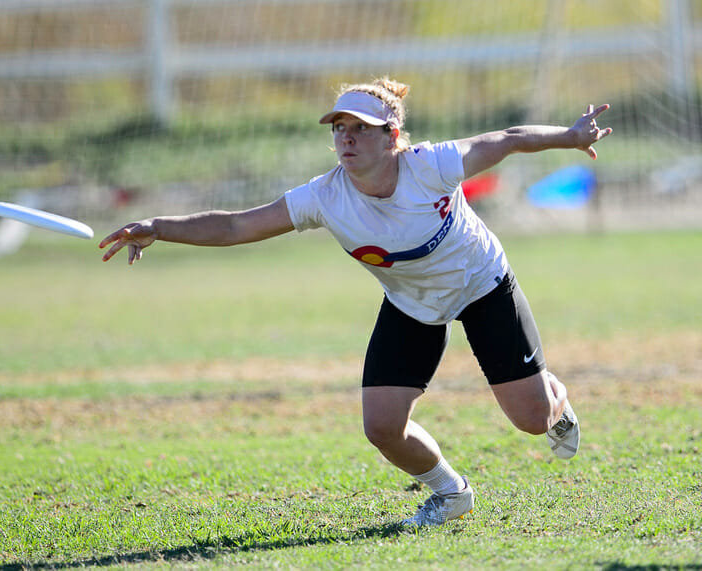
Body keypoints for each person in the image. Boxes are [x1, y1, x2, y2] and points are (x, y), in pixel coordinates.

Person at [100, 78, 612, 527]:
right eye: (339, 128)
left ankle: (553, 396)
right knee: (382, 427)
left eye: (360, 128)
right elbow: (237, 225)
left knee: (531, 420)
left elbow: (503, 140)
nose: (346, 137)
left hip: (481, 284)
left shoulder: (430, 166)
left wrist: (569, 137)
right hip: (411, 303)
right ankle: (451, 493)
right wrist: (159, 228)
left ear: (391, 135)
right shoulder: (324, 196)